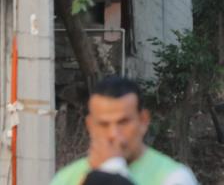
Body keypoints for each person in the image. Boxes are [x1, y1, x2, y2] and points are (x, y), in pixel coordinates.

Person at [51, 76, 199, 185]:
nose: (113, 134)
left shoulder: (174, 178)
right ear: (90, 125)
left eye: (123, 122)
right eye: (103, 124)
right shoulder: (66, 179)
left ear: (143, 120)